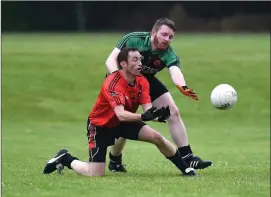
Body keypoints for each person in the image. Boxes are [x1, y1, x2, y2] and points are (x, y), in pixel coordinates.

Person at [43, 47, 197, 177]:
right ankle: (66, 158)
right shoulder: (112, 82)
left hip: (124, 122)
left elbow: (147, 110)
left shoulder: (142, 81)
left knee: (156, 137)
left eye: (140, 59)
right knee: (95, 173)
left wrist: (157, 115)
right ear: (123, 63)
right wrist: (143, 116)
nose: (140, 63)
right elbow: (120, 113)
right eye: (135, 60)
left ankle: (185, 168)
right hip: (100, 125)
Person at [105, 18, 212, 173]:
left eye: (170, 37)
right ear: (154, 32)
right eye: (164, 34)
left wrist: (182, 86)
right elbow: (110, 60)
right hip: (121, 80)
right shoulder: (134, 39)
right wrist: (119, 81)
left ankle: (188, 158)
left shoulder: (168, 53)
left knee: (173, 112)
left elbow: (175, 70)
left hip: (146, 81)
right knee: (126, 122)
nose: (167, 39)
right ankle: (115, 160)